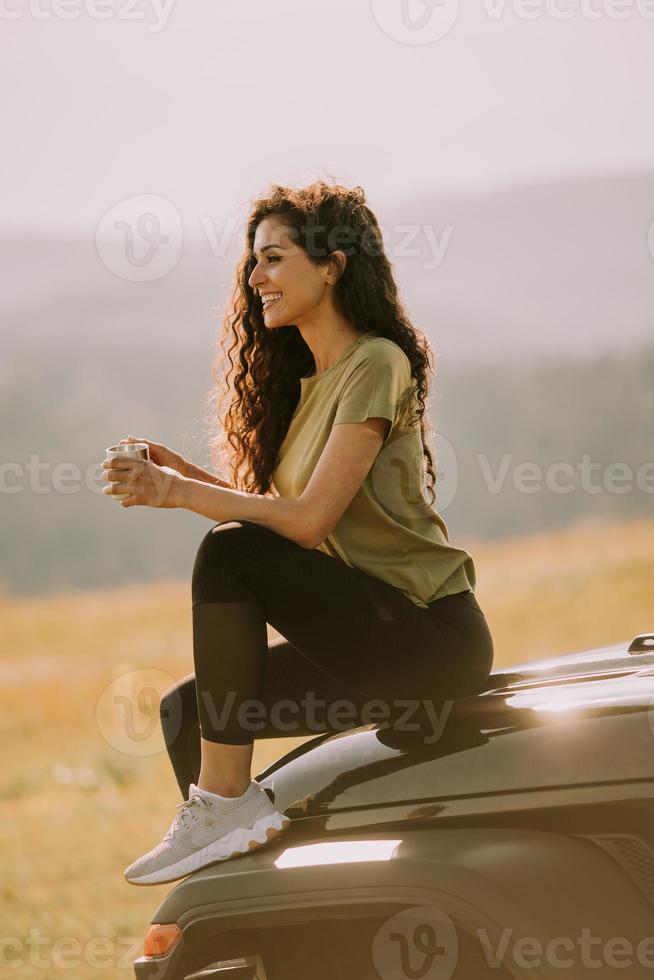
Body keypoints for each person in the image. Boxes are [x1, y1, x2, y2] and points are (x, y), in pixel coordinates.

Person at [106, 180, 495, 886]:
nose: (254, 277)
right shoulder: (307, 386)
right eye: (253, 261)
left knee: (227, 553)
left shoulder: (377, 361)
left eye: (273, 258)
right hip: (366, 635)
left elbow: (309, 523)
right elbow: (290, 519)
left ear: (332, 266)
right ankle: (245, 881)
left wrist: (185, 495)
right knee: (186, 712)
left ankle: (226, 803)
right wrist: (185, 475)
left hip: (428, 640)